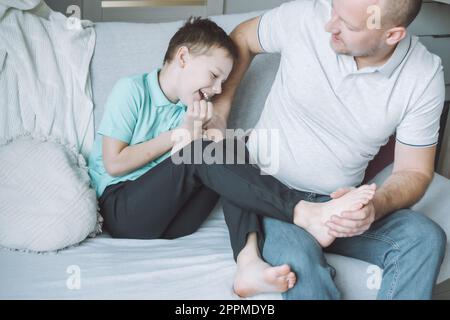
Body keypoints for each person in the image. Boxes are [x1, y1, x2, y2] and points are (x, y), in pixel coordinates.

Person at [88, 17, 377, 297]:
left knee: (233, 148)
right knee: (203, 151)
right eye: (213, 77)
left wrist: (212, 137)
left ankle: (248, 263)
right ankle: (303, 211)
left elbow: (200, 167)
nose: (215, 90)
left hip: (175, 222)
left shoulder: (193, 109)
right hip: (123, 210)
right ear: (183, 57)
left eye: (221, 84)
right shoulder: (133, 90)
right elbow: (115, 164)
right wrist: (181, 135)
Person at [209, 0, 447, 299]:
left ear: (392, 35)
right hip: (269, 192)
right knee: (299, 256)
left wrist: (375, 206)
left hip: (336, 207)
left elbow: (414, 171)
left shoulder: (422, 75)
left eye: (348, 25)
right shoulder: (306, 16)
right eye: (334, 9)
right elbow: (243, 37)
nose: (329, 25)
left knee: (424, 237)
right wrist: (220, 110)